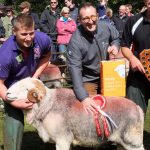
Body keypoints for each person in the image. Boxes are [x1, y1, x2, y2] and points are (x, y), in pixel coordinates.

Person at [0, 14, 52, 150]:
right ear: (14, 32)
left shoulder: (43, 40)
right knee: (14, 120)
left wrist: (34, 78)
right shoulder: (5, 54)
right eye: (24, 34)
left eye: (31, 33)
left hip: (32, 81)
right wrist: (14, 102)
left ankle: (50, 143)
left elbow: (47, 57)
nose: (28, 38)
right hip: (12, 87)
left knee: (47, 114)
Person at [66, 2, 120, 114]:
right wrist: (83, 97)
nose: (90, 21)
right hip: (89, 79)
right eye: (85, 18)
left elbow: (116, 37)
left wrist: (115, 45)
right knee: (90, 111)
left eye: (93, 17)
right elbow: (75, 70)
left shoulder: (106, 26)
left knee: (115, 107)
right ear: (79, 20)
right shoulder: (75, 41)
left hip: (109, 75)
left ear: (97, 16)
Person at [121, 0, 150, 114]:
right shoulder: (133, 21)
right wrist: (132, 58)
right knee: (134, 116)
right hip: (138, 77)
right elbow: (124, 46)